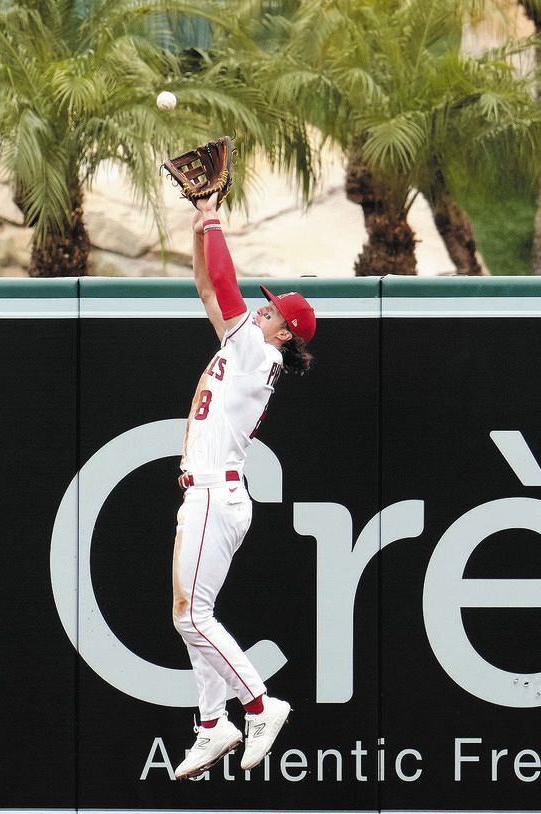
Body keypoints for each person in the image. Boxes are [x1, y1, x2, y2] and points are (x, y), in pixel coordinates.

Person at [171, 192, 316, 780]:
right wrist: (195, 227)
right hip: (206, 493)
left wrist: (213, 216)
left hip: (215, 493)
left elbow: (227, 289)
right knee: (193, 614)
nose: (262, 311)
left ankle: (259, 704)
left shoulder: (259, 353)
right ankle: (212, 726)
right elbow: (208, 290)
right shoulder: (248, 343)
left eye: (272, 312)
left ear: (284, 335)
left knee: (190, 617)